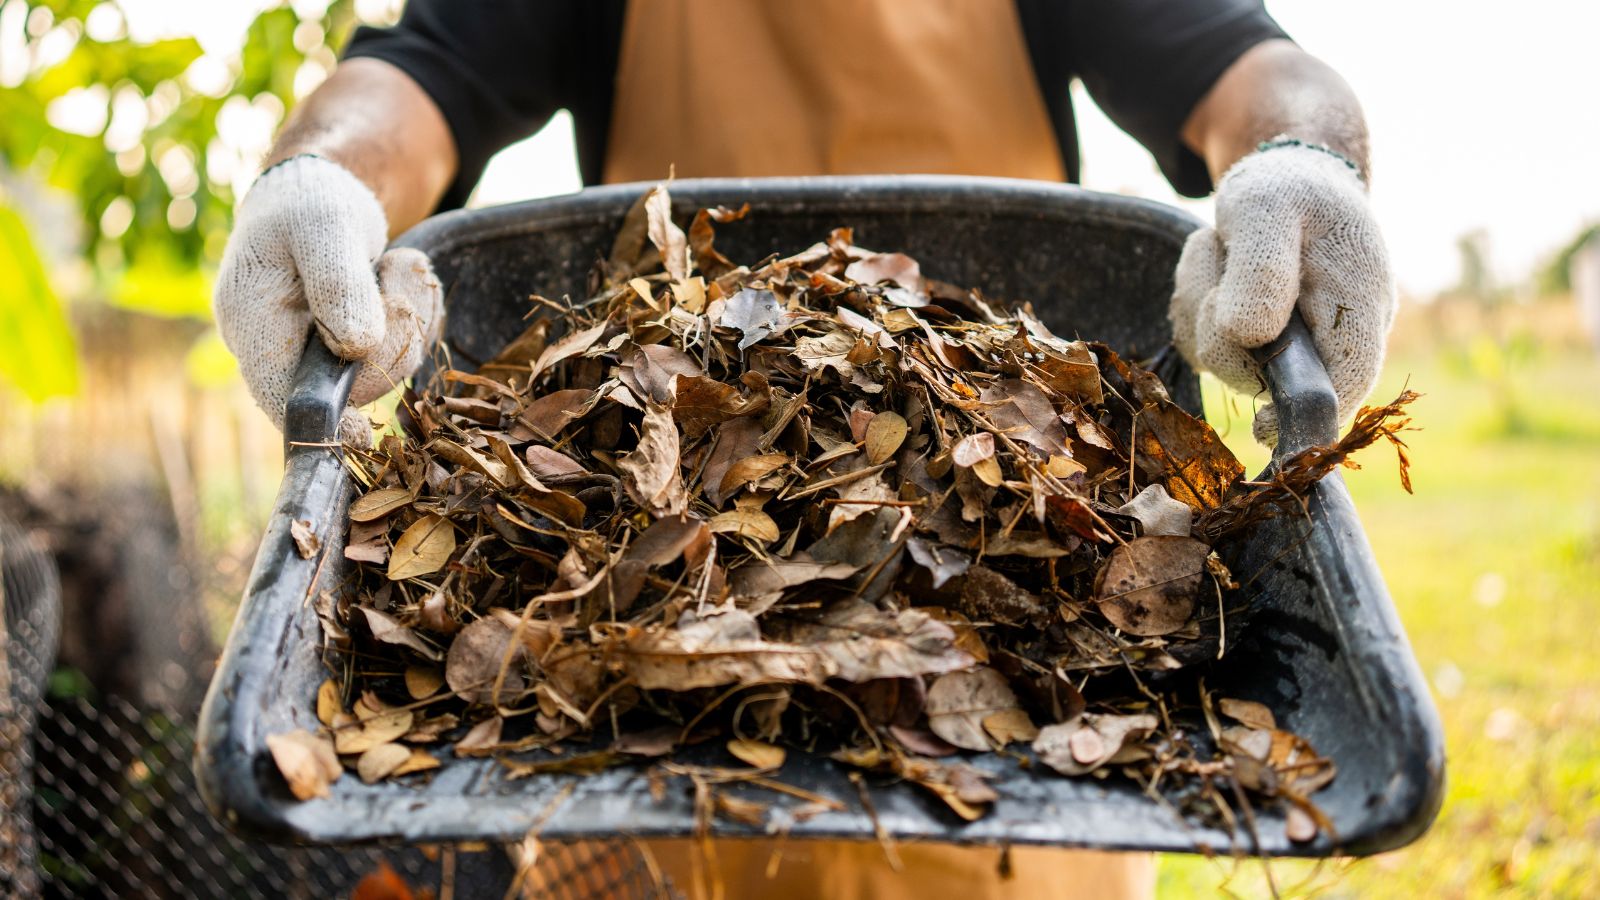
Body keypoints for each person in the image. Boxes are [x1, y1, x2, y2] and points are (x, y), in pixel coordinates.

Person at [212, 1, 1395, 896]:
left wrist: (1302, 160)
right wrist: (318, 177)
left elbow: (1245, 67)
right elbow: (423, 76)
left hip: (1019, 697)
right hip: (647, 695)